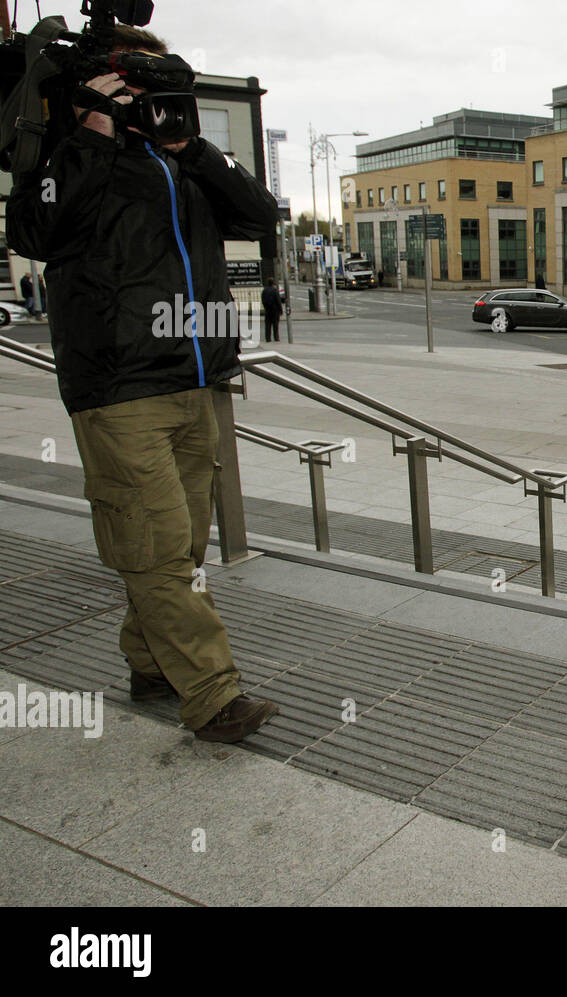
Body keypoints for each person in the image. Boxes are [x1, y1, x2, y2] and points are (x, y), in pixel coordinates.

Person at [7, 24, 280, 743]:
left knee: (178, 544)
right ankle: (214, 696)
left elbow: (259, 215)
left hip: (198, 381)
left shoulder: (182, 160)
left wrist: (190, 145)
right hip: (119, 387)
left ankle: (150, 661)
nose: (147, 100)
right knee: (158, 546)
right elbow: (31, 230)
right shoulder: (79, 158)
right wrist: (93, 132)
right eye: (134, 86)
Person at [260, 277, 283, 343]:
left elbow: (263, 300)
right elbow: (278, 301)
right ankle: (276, 337)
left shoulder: (264, 290)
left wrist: (265, 307)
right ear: (273, 283)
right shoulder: (275, 290)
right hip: (275, 310)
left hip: (268, 310)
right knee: (275, 325)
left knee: (268, 325)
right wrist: (280, 310)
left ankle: (268, 338)